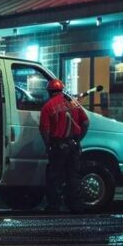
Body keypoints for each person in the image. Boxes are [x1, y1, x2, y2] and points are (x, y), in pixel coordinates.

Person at [39, 78, 90, 213]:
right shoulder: (73, 103)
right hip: (73, 145)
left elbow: (45, 130)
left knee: (55, 177)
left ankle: (54, 206)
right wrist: (78, 139)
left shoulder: (47, 107)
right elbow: (85, 122)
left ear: (49, 92)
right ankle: (77, 207)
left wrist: (48, 145)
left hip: (58, 146)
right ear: (62, 90)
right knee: (73, 176)